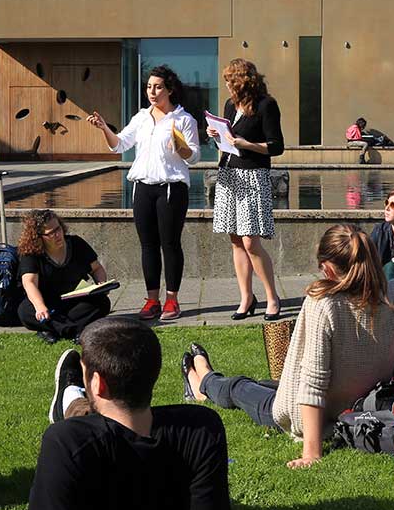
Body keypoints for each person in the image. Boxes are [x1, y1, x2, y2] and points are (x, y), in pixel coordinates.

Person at [184, 224, 394, 468]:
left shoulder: (325, 304)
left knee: (239, 389)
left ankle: (203, 380)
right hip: (366, 407)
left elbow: (313, 382)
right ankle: (204, 382)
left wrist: (311, 453)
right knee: (262, 385)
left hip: (321, 414)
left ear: (327, 268)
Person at [7, 318, 231, 510]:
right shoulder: (200, 428)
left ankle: (70, 396)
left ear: (96, 383)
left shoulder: (67, 442)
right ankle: (70, 399)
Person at [87, 65, 199, 321]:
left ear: (169, 90)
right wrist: (104, 127)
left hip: (171, 189)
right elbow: (120, 145)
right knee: (148, 246)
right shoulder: (141, 117)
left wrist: (182, 149)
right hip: (143, 188)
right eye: (149, 86)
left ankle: (172, 300)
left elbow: (194, 156)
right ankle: (152, 300)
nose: (152, 91)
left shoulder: (183, 119)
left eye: (158, 86)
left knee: (170, 245)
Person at [207, 58, 285, 321]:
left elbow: (276, 146)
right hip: (229, 173)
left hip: (252, 175)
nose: (228, 85)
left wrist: (246, 143)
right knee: (236, 240)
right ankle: (246, 298)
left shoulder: (266, 105)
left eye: (231, 80)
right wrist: (217, 136)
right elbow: (229, 139)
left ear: (244, 80)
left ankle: (272, 298)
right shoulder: (230, 105)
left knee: (251, 241)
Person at [17, 209, 111, 343]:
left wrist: (101, 284)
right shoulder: (31, 253)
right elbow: (29, 282)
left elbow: (96, 269)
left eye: (58, 229)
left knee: (102, 303)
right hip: (47, 303)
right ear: (39, 237)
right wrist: (40, 306)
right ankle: (77, 330)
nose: (57, 235)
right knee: (25, 312)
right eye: (51, 233)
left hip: (74, 300)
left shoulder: (76, 243)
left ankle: (51, 330)